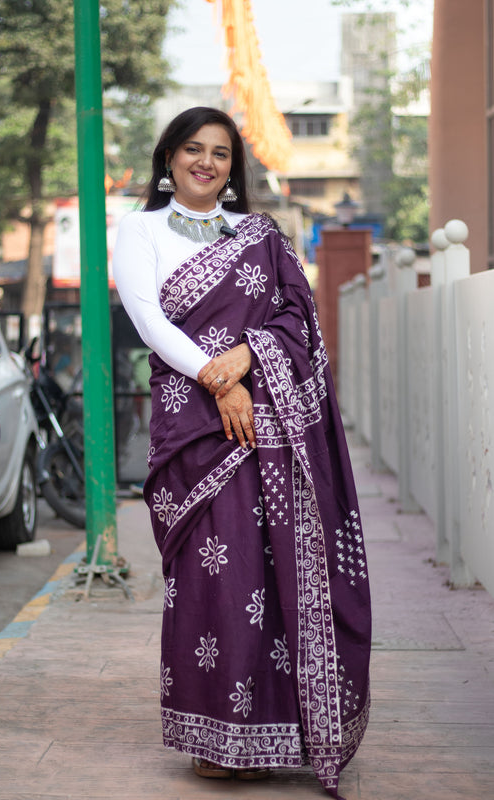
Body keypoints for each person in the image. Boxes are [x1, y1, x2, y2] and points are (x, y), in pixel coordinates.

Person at [113, 107, 371, 799]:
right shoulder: (138, 230)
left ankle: (280, 726)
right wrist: (216, 381)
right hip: (193, 425)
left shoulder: (259, 237)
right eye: (192, 149)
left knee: (271, 568)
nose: (206, 162)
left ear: (234, 167)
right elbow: (150, 320)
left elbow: (295, 318)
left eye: (220, 153)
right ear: (167, 157)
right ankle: (215, 732)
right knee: (212, 576)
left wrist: (238, 360)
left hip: (268, 420)